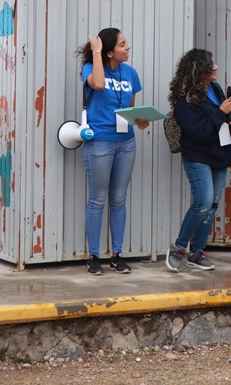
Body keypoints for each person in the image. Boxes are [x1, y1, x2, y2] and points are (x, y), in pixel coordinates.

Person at [78, 28, 148, 276]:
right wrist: (96, 52)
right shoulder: (90, 69)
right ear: (109, 52)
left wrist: (139, 120)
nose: (127, 47)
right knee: (97, 199)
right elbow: (97, 85)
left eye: (126, 43)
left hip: (125, 142)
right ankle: (93, 256)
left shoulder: (131, 73)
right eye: (122, 44)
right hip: (100, 142)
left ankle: (117, 254)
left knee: (118, 199)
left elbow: (129, 109)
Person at [166, 49, 231, 272]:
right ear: (198, 70)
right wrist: (220, 113)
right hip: (197, 155)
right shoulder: (184, 98)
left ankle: (197, 252)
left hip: (219, 154)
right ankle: (178, 247)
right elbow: (198, 132)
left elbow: (220, 120)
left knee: (213, 205)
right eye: (210, 64)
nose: (215, 67)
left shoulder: (214, 88)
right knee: (203, 202)